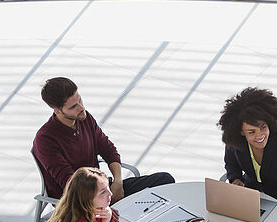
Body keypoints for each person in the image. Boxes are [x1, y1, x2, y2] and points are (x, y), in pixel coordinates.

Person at [32, 76, 174, 201]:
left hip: (103, 188)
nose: (81, 107)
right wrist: (105, 196)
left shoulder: (84, 118)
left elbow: (108, 150)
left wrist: (117, 183)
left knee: (165, 180)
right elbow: (70, 183)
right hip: (79, 201)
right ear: (57, 111)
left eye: (80, 99)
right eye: (73, 106)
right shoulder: (45, 139)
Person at [217, 87, 277, 215]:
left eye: (263, 127)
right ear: (241, 132)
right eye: (251, 132)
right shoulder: (236, 142)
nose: (260, 135)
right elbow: (231, 163)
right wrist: (235, 179)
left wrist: (268, 198)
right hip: (256, 192)